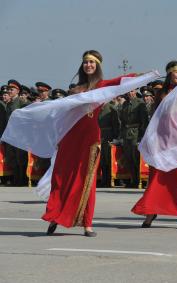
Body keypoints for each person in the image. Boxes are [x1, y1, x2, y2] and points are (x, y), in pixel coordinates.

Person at [43, 50, 136, 237]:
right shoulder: (75, 90)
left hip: (90, 139)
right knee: (62, 177)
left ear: (98, 65)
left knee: (87, 181)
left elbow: (121, 81)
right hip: (70, 138)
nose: (88, 65)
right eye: (86, 62)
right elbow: (64, 116)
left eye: (92, 62)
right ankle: (55, 215)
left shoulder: (102, 86)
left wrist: (144, 75)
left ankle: (87, 224)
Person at [131, 60, 177, 229]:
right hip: (163, 143)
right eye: (176, 72)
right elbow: (156, 120)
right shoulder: (161, 93)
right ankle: (150, 213)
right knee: (157, 180)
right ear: (169, 73)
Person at [119, 88, 149, 188]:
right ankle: (133, 180)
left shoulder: (140, 103)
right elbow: (122, 122)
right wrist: (122, 135)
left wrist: (142, 136)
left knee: (135, 157)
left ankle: (139, 180)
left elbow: (144, 121)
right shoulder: (125, 104)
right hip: (127, 134)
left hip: (136, 133)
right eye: (128, 91)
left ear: (135, 91)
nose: (130, 93)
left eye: (132, 91)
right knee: (128, 158)